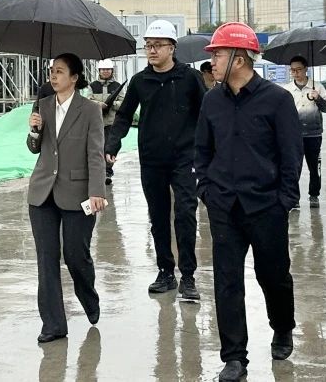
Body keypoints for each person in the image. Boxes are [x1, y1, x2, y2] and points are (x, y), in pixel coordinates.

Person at [195, 22, 302, 381]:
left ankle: (282, 326)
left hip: (266, 207)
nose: (212, 61)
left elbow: (291, 156)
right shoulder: (212, 101)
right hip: (224, 206)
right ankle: (234, 358)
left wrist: (284, 201)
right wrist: (206, 190)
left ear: (239, 59)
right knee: (226, 282)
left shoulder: (277, 100)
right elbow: (201, 150)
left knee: (273, 275)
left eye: (218, 54)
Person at [105, 19, 206, 300]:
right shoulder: (140, 81)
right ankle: (165, 272)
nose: (151, 50)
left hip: (185, 158)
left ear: (172, 48)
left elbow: (207, 113)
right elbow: (124, 115)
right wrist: (113, 143)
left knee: (185, 214)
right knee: (158, 217)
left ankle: (188, 276)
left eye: (158, 45)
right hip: (152, 160)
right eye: (148, 45)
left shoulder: (190, 78)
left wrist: (210, 150)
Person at [27, 53, 107, 343]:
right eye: (52, 70)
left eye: (60, 71)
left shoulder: (90, 110)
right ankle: (53, 325)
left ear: (74, 78)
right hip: (42, 193)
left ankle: (88, 296)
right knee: (46, 259)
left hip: (78, 192)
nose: (53, 75)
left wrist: (97, 191)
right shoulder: (43, 105)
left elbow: (95, 153)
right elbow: (34, 148)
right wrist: (34, 130)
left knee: (76, 255)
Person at [283, 55, 326, 208]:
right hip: (294, 136)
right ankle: (294, 198)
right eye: (292, 70)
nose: (295, 73)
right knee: (293, 168)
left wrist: (318, 98)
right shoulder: (287, 90)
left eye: (298, 70)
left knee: (314, 167)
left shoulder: (318, 87)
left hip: (314, 135)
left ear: (306, 69)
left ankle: (314, 195)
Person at [88, 59, 125, 185]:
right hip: (96, 122)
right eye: (103, 69)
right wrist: (98, 104)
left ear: (112, 71)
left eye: (108, 69)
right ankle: (99, 171)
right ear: (99, 71)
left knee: (111, 146)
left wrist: (112, 104)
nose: (105, 71)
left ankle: (108, 171)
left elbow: (123, 102)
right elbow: (88, 100)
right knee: (97, 147)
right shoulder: (92, 86)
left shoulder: (117, 86)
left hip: (111, 122)